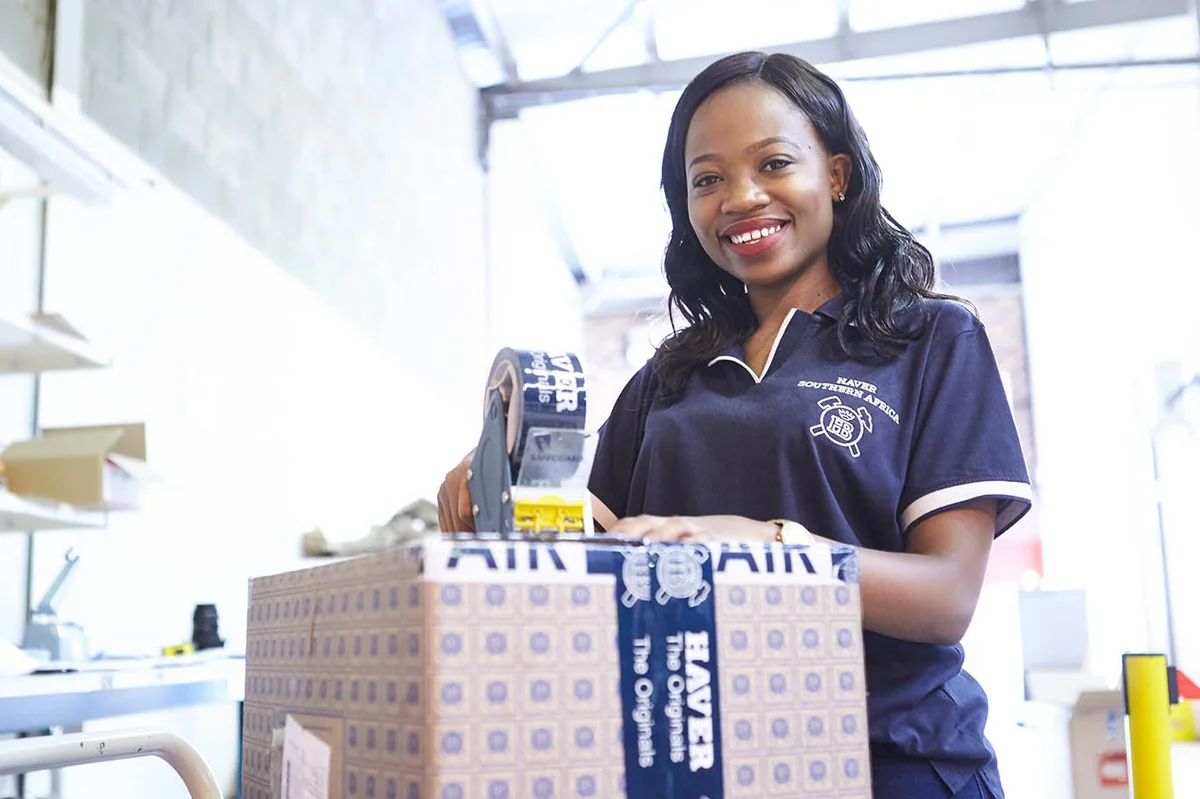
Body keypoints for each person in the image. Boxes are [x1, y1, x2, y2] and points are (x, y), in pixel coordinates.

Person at [438, 51, 1031, 799]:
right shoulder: (666, 378)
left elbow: (946, 598)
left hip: (892, 759)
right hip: (697, 765)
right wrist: (499, 483)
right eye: (707, 179)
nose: (740, 198)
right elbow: (589, 563)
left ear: (837, 175)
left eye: (773, 163)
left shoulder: (931, 340)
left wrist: (767, 547)